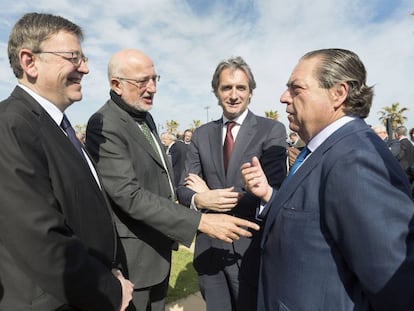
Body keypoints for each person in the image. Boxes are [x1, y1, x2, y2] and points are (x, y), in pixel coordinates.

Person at [85, 49, 259, 311]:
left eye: (155, 79)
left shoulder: (145, 118)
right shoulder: (106, 123)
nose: (152, 88)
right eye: (142, 81)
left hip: (159, 251)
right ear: (116, 85)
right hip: (134, 261)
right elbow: (128, 195)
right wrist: (200, 218)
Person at [241, 48, 414, 311]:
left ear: (338, 93)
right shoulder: (321, 151)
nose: (283, 97)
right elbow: (315, 218)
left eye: (296, 88)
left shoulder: (355, 159)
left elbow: (395, 286)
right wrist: (269, 195)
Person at [0, 12, 134, 311]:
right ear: (29, 61)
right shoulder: (10, 126)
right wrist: (108, 289)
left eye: (83, 58)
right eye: (73, 57)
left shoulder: (57, 126)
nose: (85, 68)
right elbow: (39, 238)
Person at [176, 56, 287, 311]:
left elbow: (272, 190)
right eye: (227, 88)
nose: (234, 95)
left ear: (250, 92)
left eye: (241, 88)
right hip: (209, 250)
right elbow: (184, 187)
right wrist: (197, 199)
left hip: (250, 249)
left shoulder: (271, 131)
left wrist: (210, 196)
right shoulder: (202, 134)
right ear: (216, 92)